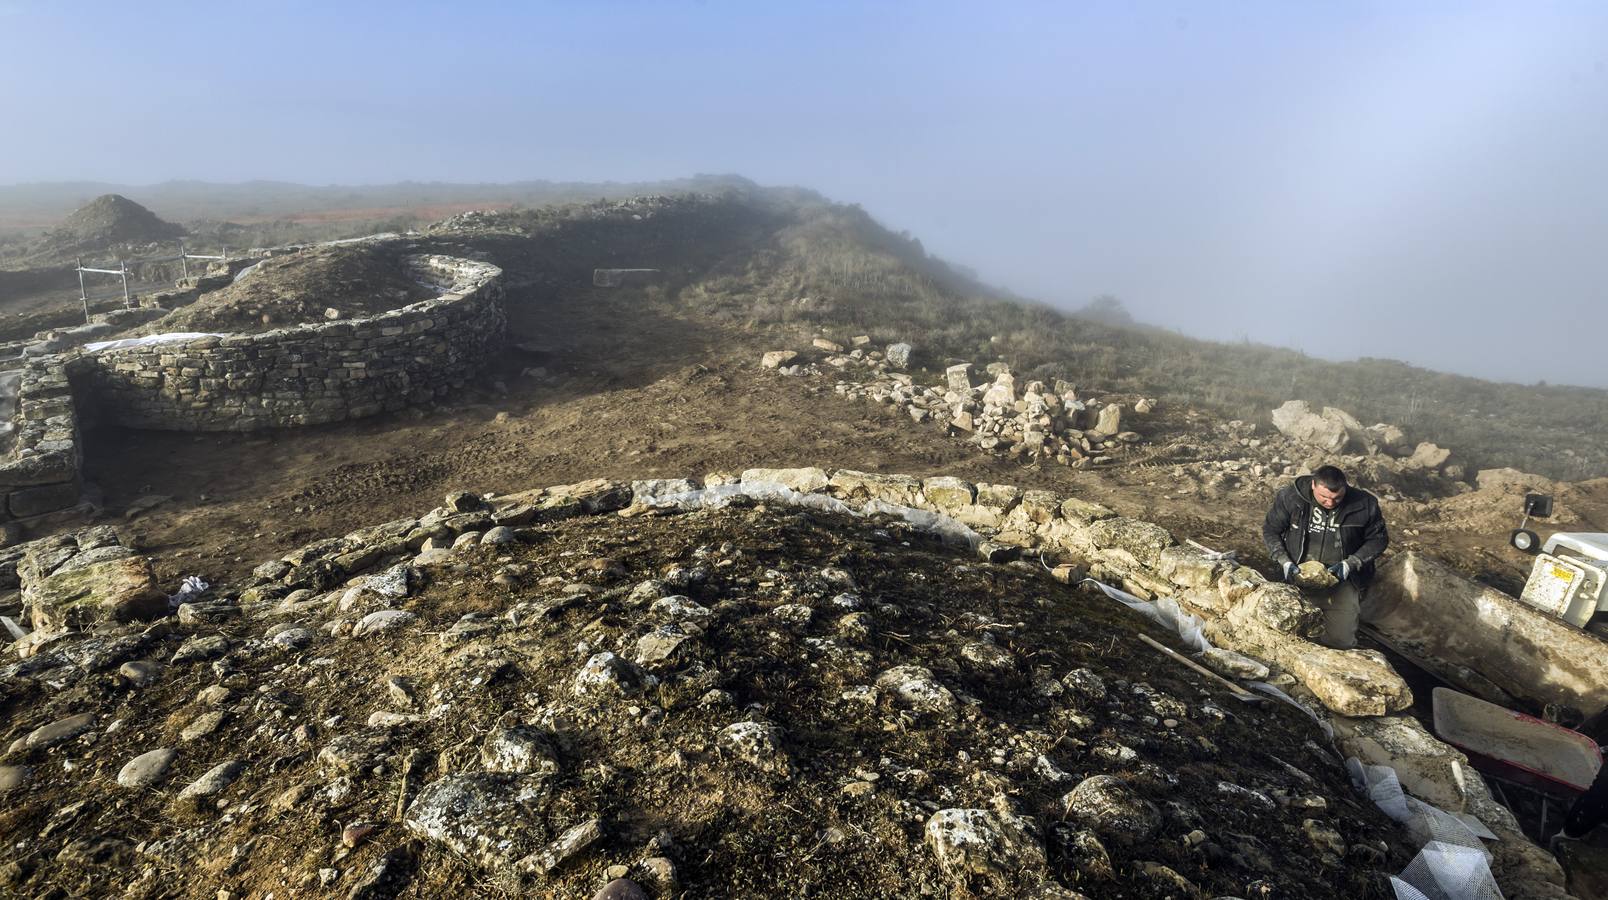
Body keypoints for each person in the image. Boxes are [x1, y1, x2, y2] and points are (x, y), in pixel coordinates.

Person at [1262, 465, 1389, 649]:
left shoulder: (1364, 504)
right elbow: (1271, 530)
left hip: (1341, 580)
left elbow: (1378, 540)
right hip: (1297, 577)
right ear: (1313, 485)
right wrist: (1284, 561)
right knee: (1289, 636)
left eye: (1337, 498)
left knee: (1341, 642)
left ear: (1346, 488)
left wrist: (1351, 563)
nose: (1330, 503)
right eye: (1324, 498)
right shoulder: (1291, 497)